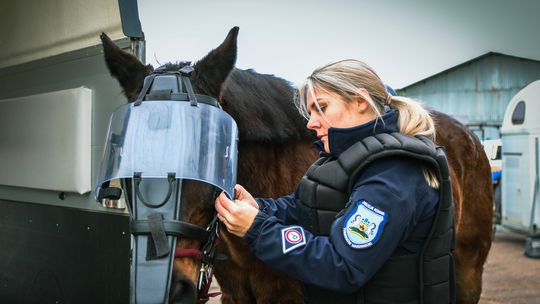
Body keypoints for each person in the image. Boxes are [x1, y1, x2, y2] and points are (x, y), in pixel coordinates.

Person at [215, 59, 455, 304]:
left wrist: (258, 229)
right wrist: (260, 208)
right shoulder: (349, 159)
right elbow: (307, 208)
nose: (310, 123)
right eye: (310, 112)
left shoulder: (393, 174)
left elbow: (342, 267)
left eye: (322, 107)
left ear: (361, 101)